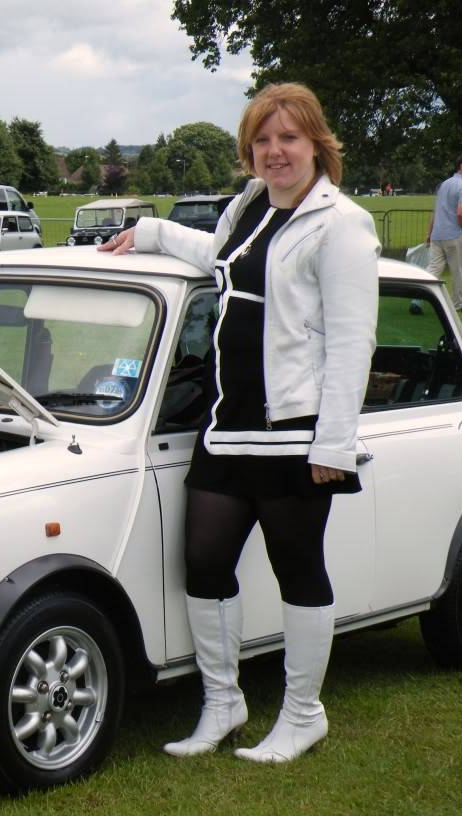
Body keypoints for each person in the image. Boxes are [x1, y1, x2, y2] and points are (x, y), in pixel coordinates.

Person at [100, 82, 379, 763]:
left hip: (296, 432)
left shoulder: (341, 223)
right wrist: (152, 232)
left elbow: (351, 340)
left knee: (297, 569)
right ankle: (222, 704)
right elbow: (218, 260)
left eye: (287, 138)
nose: (273, 151)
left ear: (316, 143)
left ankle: (302, 713)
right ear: (248, 151)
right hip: (226, 427)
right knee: (202, 563)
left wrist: (333, 445)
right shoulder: (250, 206)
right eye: (261, 140)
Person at [426, 153, 462, 311]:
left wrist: (429, 233)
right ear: (461, 166)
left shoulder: (444, 184)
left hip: (437, 234)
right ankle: (459, 304)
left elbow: (436, 210)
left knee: (433, 269)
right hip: (455, 235)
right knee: (459, 271)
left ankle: (417, 300)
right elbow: (461, 212)